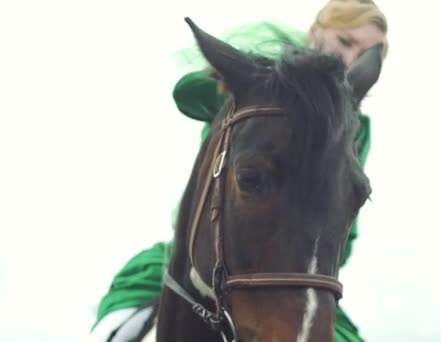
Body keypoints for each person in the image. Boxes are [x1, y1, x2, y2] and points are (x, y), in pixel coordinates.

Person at [90, 1, 389, 341]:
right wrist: (251, 82)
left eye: (363, 54)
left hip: (294, 277)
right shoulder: (260, 91)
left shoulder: (357, 129)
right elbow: (186, 94)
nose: (349, 62)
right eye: (345, 43)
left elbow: (342, 234)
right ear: (313, 35)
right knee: (112, 332)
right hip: (201, 251)